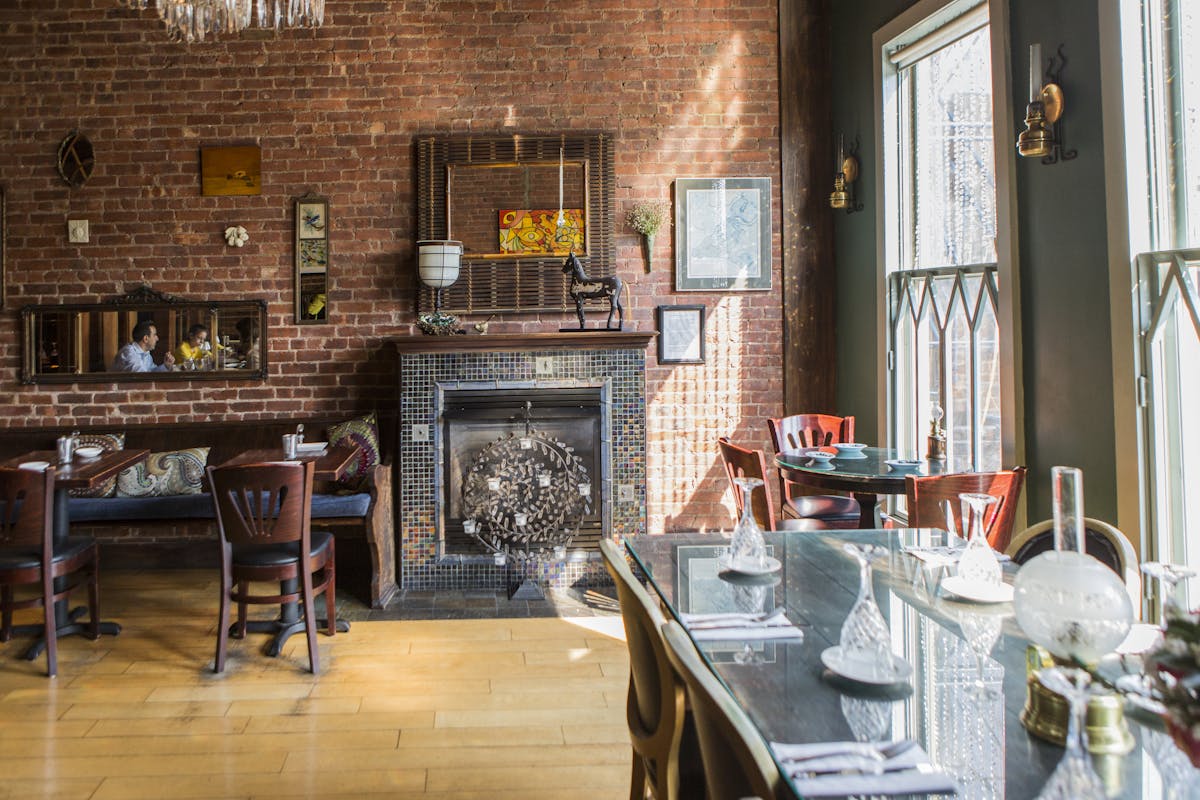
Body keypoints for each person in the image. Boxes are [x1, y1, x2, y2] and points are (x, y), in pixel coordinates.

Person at [110, 320, 175, 372]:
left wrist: (166, 366)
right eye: (154, 335)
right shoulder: (129, 352)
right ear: (146, 338)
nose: (157, 338)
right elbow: (141, 376)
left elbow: (152, 372)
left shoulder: (146, 354)